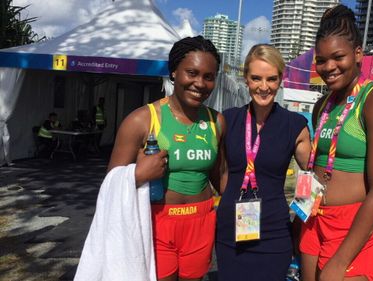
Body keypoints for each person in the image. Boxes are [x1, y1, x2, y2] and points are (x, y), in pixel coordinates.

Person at [107, 35, 225, 281]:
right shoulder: (142, 120)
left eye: (208, 77)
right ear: (173, 72)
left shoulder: (216, 121)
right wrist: (138, 174)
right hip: (157, 221)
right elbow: (110, 185)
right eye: (191, 73)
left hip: (201, 221)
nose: (200, 83)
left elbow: (221, 174)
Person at [299, 5, 373, 281]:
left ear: (358, 54)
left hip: (354, 226)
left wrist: (341, 259)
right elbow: (315, 165)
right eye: (321, 60)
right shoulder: (322, 104)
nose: (328, 67)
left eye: (338, 57)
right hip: (314, 218)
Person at [215, 44, 311, 281]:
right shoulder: (228, 119)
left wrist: (301, 216)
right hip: (231, 233)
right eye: (256, 78)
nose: (264, 87)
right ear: (246, 78)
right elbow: (220, 171)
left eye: (271, 79)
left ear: (281, 79)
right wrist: (230, 200)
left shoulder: (295, 125)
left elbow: (311, 177)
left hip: (274, 234)